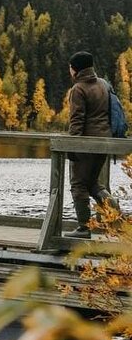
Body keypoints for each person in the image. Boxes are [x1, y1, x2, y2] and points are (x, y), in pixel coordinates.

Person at [65, 51, 115, 237]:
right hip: (104, 142)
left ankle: (84, 228)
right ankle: (113, 209)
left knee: (78, 184)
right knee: (93, 182)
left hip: (86, 144)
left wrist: (73, 148)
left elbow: (76, 121)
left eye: (70, 67)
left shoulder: (78, 89)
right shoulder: (103, 84)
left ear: (75, 69)